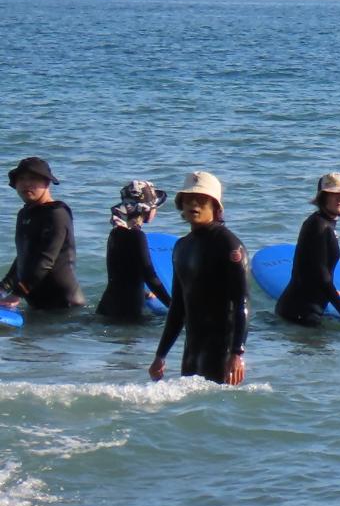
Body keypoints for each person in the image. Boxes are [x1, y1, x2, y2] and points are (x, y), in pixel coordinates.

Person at [149, 171, 249, 385]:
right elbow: (178, 307)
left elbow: (242, 303)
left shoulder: (229, 245)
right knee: (191, 402)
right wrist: (161, 355)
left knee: (218, 403)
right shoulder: (181, 247)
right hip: (192, 350)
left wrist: (237, 353)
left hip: (222, 351)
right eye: (188, 199)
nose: (194, 204)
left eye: (202, 199)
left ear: (215, 206)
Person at [276, 173, 340, 325]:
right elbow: (320, 273)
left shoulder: (321, 222)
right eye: (334, 194)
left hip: (303, 308)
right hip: (301, 313)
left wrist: (330, 293)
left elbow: (312, 271)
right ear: (323, 198)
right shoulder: (319, 226)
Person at [3, 156, 85, 311]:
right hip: (38, 305)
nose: (26, 183)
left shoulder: (57, 213)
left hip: (65, 308)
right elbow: (24, 256)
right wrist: (5, 286)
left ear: (47, 182)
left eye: (33, 178)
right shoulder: (24, 213)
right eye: (21, 179)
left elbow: (46, 260)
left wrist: (17, 294)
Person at [96, 180, 170, 322]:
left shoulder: (115, 233)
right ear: (146, 210)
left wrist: (144, 293)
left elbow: (122, 276)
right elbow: (151, 278)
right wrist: (173, 306)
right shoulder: (137, 236)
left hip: (107, 306)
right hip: (128, 313)